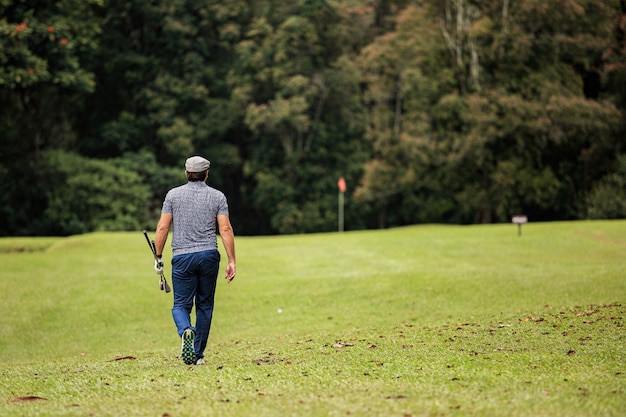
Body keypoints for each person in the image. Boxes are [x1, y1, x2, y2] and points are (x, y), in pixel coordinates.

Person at [153, 155, 236, 365]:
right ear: (207, 174)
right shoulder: (218, 197)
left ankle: (186, 330)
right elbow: (224, 228)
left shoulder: (173, 195)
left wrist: (158, 256)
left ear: (186, 173)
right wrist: (232, 260)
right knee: (205, 305)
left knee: (180, 305)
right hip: (209, 255)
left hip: (182, 257)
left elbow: (163, 228)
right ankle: (197, 355)